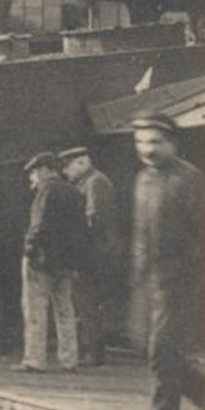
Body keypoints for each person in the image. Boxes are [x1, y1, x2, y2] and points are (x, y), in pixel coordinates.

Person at [125, 114, 205, 410]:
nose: (147, 150)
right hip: (148, 279)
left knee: (162, 350)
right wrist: (137, 274)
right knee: (143, 344)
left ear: (172, 143)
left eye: (155, 142)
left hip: (178, 278)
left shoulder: (188, 180)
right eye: (141, 142)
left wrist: (192, 273)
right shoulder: (143, 179)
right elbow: (141, 232)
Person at [17, 151, 88, 373]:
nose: (32, 178)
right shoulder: (75, 192)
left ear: (46, 170)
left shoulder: (46, 191)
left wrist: (29, 249)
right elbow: (81, 231)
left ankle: (35, 360)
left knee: (35, 310)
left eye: (34, 173)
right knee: (65, 310)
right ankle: (69, 359)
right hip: (66, 262)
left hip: (42, 261)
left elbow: (38, 226)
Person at [59, 146, 119, 366]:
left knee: (86, 301)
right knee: (85, 301)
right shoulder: (88, 182)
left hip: (95, 252)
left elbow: (94, 219)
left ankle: (94, 353)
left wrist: (70, 232)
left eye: (68, 167)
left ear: (82, 163)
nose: (66, 173)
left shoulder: (95, 183)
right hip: (93, 251)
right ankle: (92, 349)